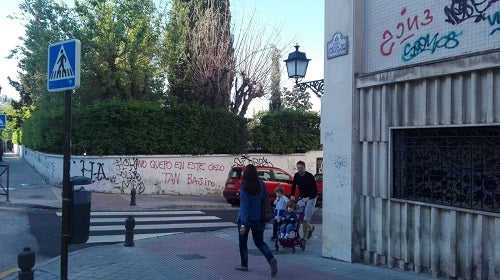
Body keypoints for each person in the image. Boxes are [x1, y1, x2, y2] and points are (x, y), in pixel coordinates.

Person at [236, 164, 278, 277]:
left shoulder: (244, 188)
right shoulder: (262, 185)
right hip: (259, 219)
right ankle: (271, 259)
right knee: (259, 242)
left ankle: (244, 265)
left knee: (243, 243)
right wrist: (269, 216)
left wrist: (243, 225)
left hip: (246, 219)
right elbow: (266, 201)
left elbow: (244, 207)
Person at [290, 160, 318, 245]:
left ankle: (304, 238)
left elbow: (315, 190)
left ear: (304, 168)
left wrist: (308, 197)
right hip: (302, 198)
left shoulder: (310, 176)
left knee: (305, 219)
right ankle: (311, 227)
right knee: (300, 217)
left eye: (301, 168)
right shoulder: (296, 175)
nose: (299, 169)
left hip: (311, 198)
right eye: (298, 168)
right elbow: (293, 186)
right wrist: (292, 195)